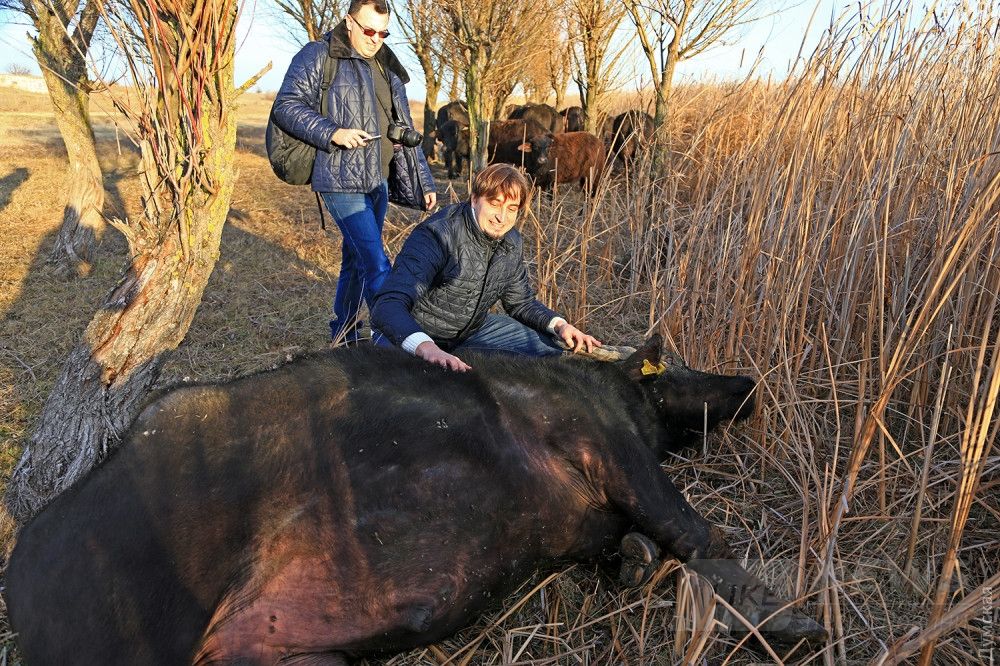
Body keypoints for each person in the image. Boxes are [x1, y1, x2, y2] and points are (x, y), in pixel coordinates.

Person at [272, 0, 436, 344]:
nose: (376, 38)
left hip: (378, 180)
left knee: (356, 260)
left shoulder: (386, 66)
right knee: (377, 263)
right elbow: (286, 106)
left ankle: (343, 335)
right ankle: (397, 342)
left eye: (383, 32)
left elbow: (402, 127)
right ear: (349, 22)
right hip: (339, 179)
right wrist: (332, 131)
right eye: (368, 30)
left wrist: (424, 180)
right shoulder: (319, 55)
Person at [371, 164, 601, 371]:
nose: (502, 217)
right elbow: (388, 304)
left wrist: (561, 325)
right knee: (414, 395)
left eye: (512, 208)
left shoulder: (511, 242)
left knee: (549, 348)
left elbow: (521, 302)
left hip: (470, 332)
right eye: (495, 204)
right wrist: (427, 347)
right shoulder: (437, 235)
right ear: (474, 199)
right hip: (415, 332)